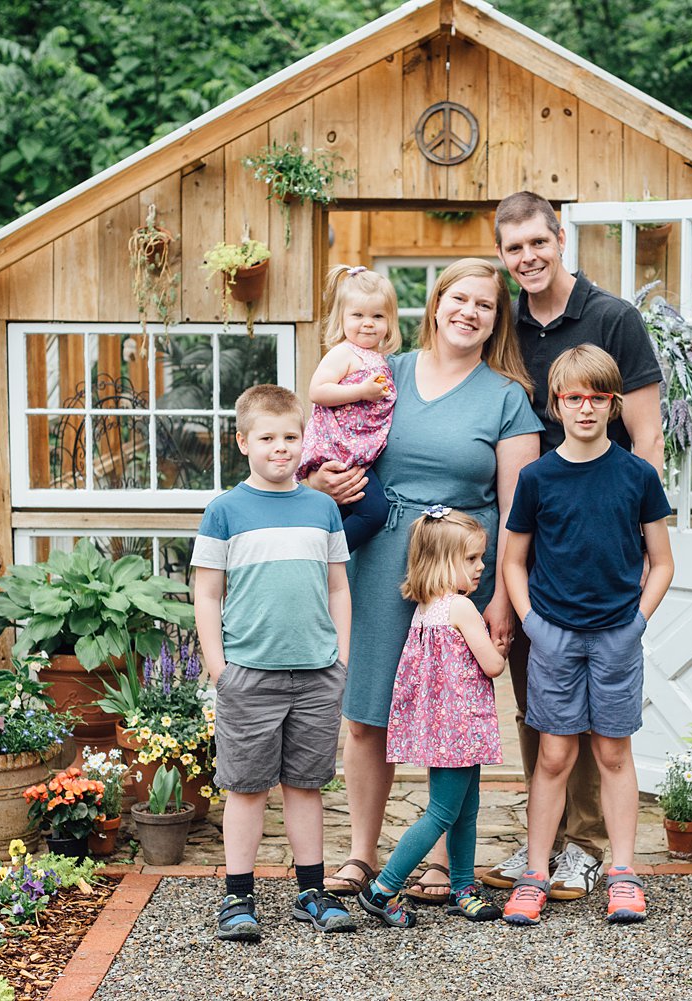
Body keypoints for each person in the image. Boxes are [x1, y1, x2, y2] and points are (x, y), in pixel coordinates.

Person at [307, 259, 542, 903]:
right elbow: (325, 437)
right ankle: (361, 851)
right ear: (435, 305)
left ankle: (442, 860)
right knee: (366, 713)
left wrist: (500, 595)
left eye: (485, 305)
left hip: (463, 574)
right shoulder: (384, 371)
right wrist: (319, 480)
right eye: (458, 299)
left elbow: (519, 508)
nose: (469, 312)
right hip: (383, 554)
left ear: (497, 320)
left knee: (451, 718)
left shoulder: (506, 397)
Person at [483, 190, 666, 901]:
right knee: (543, 707)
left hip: (605, 538)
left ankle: (589, 847)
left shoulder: (613, 317)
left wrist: (630, 535)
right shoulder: (507, 325)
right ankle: (551, 841)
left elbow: (645, 435)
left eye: (538, 242)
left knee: (605, 726)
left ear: (561, 238)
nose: (527, 258)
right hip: (538, 526)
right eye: (514, 248)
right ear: (503, 255)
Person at [500, 345, 674, 926]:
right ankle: (534, 872)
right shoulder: (538, 477)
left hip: (615, 637)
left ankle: (622, 874)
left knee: (612, 752)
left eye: (598, 398)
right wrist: (531, 623)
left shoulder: (636, 475)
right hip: (554, 636)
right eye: (574, 397)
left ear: (614, 405)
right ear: (556, 404)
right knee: (552, 755)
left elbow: (662, 562)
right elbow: (514, 562)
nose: (586, 407)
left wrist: (637, 622)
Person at [192, 384, 357, 943]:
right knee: (246, 787)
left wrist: (342, 653)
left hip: (315, 671)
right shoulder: (225, 511)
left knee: (306, 785)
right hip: (249, 674)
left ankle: (312, 891)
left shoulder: (322, 508)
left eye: (291, 437)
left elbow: (338, 587)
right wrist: (219, 666)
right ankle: (238, 898)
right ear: (243, 442)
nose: (281, 448)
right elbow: (207, 592)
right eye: (267, 438)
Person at [357, 507, 506, 928]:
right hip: (458, 729)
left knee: (466, 808)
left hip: (444, 729)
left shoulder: (427, 608)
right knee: (443, 812)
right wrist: (502, 645)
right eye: (472, 559)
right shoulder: (459, 608)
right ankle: (384, 888)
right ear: (444, 562)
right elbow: (491, 665)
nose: (481, 567)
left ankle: (462, 887)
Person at [298, 265, 401, 551]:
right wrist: (362, 392)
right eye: (358, 315)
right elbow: (317, 391)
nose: (368, 323)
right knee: (374, 512)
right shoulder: (343, 352)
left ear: (390, 321)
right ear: (341, 318)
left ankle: (331, 562)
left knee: (345, 511)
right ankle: (323, 556)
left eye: (378, 316)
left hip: (358, 453)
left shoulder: (378, 358)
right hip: (340, 451)